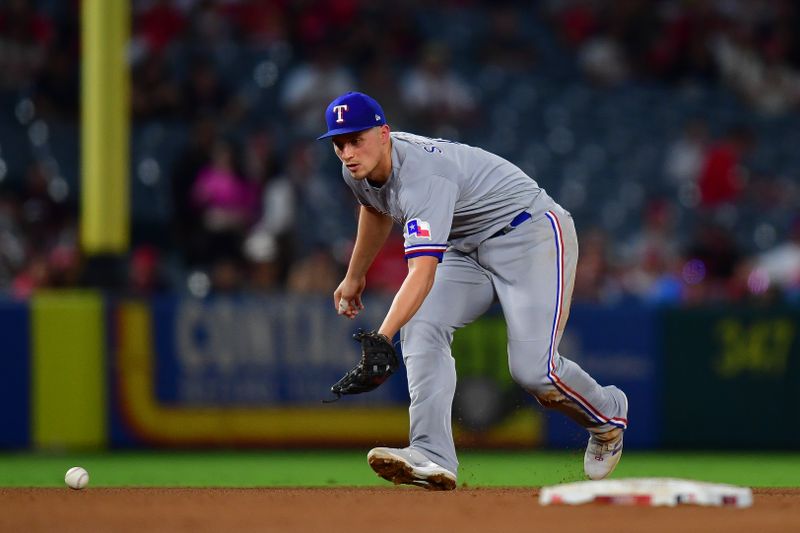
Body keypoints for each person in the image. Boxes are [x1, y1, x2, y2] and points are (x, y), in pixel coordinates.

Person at [319, 92, 628, 490]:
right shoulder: (359, 168)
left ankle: (609, 417)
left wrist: (382, 336)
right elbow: (376, 206)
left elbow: (422, 274)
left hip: (529, 234)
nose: (346, 151)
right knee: (422, 326)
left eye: (355, 139)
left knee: (535, 372)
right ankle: (431, 454)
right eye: (338, 142)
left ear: (383, 133)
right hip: (466, 248)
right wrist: (355, 274)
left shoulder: (422, 177)